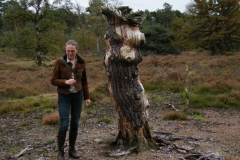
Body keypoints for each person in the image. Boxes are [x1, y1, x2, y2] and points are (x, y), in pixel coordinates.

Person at [51, 40, 91, 160]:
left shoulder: (81, 61)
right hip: (64, 96)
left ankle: (72, 150)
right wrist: (65, 82)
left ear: (77, 50)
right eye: (68, 51)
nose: (70, 53)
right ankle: (60, 153)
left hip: (77, 96)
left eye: (72, 51)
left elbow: (84, 81)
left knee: (74, 124)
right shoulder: (60, 62)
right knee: (64, 125)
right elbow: (53, 80)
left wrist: (87, 97)